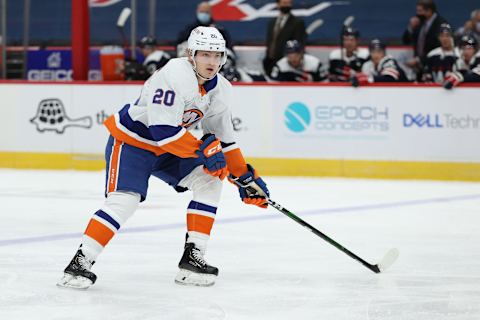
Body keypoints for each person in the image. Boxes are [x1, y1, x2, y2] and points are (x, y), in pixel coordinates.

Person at [57, 26, 270, 289]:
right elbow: (163, 131)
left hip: (172, 147)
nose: (212, 62)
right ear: (191, 55)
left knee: (209, 181)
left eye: (217, 56)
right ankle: (79, 262)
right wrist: (203, 150)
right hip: (134, 142)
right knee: (125, 200)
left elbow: (225, 142)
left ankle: (193, 258)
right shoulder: (174, 74)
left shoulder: (221, 90)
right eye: (205, 55)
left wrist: (245, 178)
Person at [402, 0, 448, 79]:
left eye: (420, 11)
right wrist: (410, 28)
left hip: (434, 66)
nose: (417, 14)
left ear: (429, 11)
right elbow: (406, 40)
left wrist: (419, 60)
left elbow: (438, 47)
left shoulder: (441, 24)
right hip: (419, 68)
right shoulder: (419, 22)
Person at [263, 0, 307, 75]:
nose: (287, 6)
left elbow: (299, 42)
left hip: (286, 62)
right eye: (284, 3)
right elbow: (271, 41)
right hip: (270, 61)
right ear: (278, 5)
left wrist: (293, 58)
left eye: (289, 3)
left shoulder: (297, 22)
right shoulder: (272, 22)